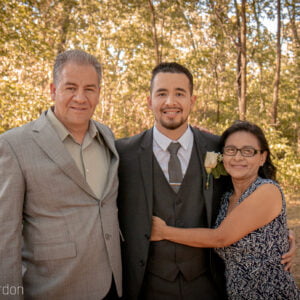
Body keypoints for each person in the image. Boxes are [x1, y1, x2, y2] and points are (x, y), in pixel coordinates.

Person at [116, 63, 295, 300]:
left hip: (209, 284)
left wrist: (281, 236)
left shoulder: (220, 149)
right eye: (161, 93)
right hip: (146, 286)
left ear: (193, 100)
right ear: (149, 101)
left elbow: (251, 194)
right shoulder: (122, 153)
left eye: (180, 93)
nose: (171, 101)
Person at [0, 50, 122, 299]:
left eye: (90, 88)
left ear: (99, 93)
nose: (80, 97)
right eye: (70, 87)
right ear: (53, 89)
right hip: (53, 288)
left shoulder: (107, 137)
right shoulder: (14, 145)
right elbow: (5, 236)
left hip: (111, 284)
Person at [151, 121, 300, 299]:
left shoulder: (267, 190)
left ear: (262, 157)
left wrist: (164, 231)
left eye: (248, 151)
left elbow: (221, 237)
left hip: (271, 293)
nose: (238, 157)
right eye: (231, 150)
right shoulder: (225, 198)